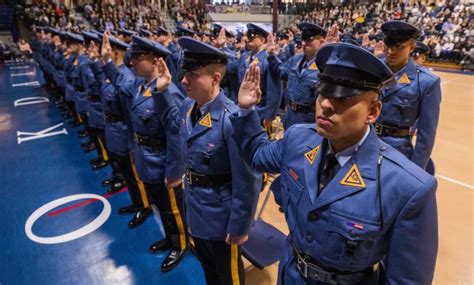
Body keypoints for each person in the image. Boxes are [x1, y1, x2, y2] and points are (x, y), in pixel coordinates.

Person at [231, 42, 438, 284]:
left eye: (344, 98)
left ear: (373, 111)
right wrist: (246, 111)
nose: (326, 105)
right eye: (324, 92)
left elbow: (407, 280)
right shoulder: (299, 139)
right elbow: (257, 155)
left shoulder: (406, 187)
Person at [152, 36, 261, 285]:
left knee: (228, 276)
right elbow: (173, 128)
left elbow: (248, 180)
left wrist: (240, 226)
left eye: (192, 75)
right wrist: (161, 91)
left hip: (222, 220)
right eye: (184, 74)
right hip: (196, 209)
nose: (183, 80)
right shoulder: (189, 107)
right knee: (209, 270)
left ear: (215, 79)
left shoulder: (232, 119)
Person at [101, 34, 188, 272]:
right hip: (145, 159)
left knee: (172, 208)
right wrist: (108, 60)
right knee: (160, 206)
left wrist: (174, 171)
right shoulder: (139, 86)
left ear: (154, 61)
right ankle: (170, 238)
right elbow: (119, 83)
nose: (132, 62)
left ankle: (180, 243)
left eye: (138, 57)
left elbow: (176, 136)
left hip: (162, 162)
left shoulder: (170, 92)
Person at [376, 20, 442, 171]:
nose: (391, 51)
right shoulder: (373, 69)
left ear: (411, 47)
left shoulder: (427, 82)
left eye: (399, 47)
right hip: (365, 143)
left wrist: (415, 171)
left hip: (397, 152)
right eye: (388, 45)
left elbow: (426, 136)